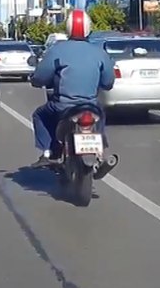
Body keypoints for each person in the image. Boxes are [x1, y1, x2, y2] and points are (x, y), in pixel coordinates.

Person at [29, 9, 116, 171]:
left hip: (62, 106)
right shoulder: (99, 52)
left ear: (67, 28)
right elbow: (108, 82)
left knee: (39, 115)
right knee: (100, 116)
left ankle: (47, 152)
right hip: (90, 106)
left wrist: (35, 80)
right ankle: (102, 151)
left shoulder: (57, 50)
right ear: (89, 28)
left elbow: (41, 77)